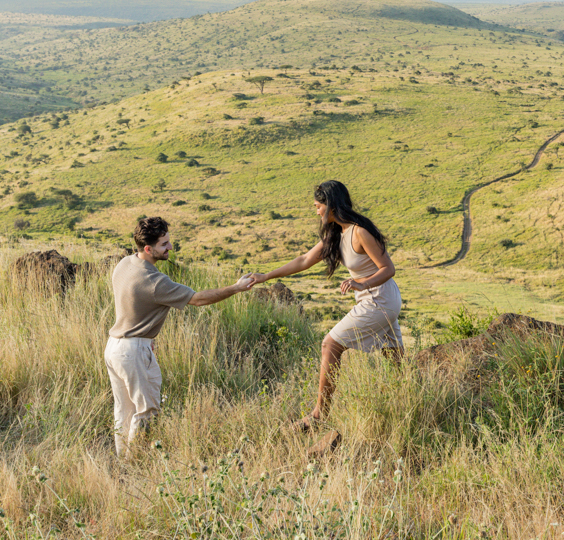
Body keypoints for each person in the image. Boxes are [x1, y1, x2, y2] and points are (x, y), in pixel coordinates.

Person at [250, 180, 403, 432]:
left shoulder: (359, 231)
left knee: (330, 344)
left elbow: (388, 269)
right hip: (376, 299)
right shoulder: (336, 235)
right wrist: (266, 276)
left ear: (331, 205)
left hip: (380, 298)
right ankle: (406, 405)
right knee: (396, 361)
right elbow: (303, 260)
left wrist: (361, 284)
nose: (316, 211)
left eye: (318, 206)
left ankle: (319, 415)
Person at [106, 216, 254, 456]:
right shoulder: (155, 281)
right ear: (148, 248)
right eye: (164, 244)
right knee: (147, 410)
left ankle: (122, 461)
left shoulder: (124, 263)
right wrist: (236, 288)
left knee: (124, 410)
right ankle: (134, 462)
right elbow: (198, 299)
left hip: (114, 346)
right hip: (133, 351)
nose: (170, 247)